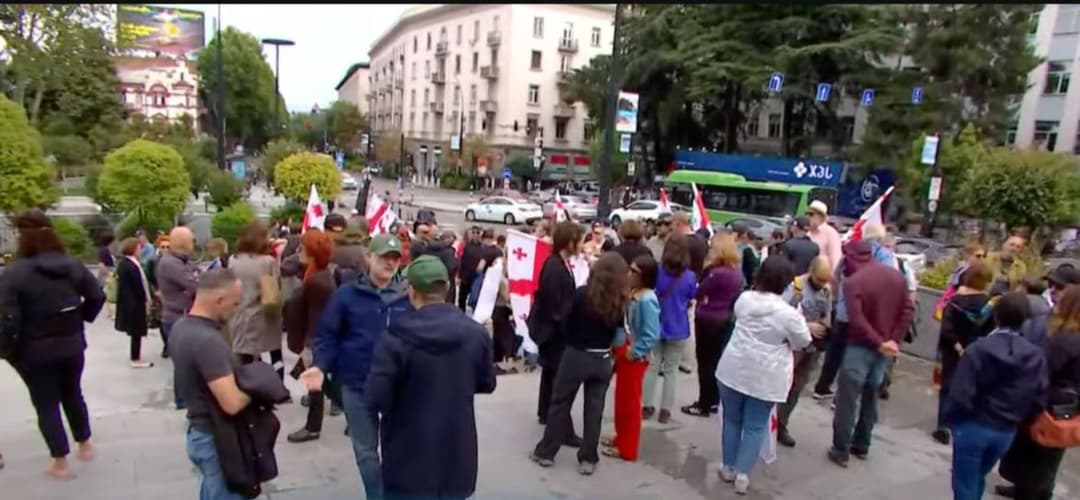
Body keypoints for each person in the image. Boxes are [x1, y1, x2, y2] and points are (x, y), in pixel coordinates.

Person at [363, 255, 497, 500]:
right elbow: (487, 383)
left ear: (411, 291)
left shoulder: (395, 337)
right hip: (457, 453)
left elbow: (376, 397)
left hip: (407, 455)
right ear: (446, 288)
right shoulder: (475, 333)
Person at [304, 233, 411, 499]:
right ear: (369, 257)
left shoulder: (408, 296)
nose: (389, 263)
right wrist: (320, 365)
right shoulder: (347, 295)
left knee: (399, 447)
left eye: (394, 259)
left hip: (398, 387)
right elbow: (328, 335)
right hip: (357, 384)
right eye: (384, 258)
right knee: (365, 450)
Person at [0, 210, 105, 479]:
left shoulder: (14, 274)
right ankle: (85, 444)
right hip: (71, 344)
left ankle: (60, 461)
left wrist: (8, 348)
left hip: (34, 349)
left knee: (46, 403)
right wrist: (78, 319)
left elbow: (8, 316)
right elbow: (97, 295)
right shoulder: (72, 265)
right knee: (73, 393)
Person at [714, 256, 811, 494]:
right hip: (767, 375)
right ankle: (742, 475)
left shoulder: (744, 300)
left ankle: (727, 466)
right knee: (756, 426)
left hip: (733, 367)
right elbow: (803, 341)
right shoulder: (789, 315)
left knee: (732, 420)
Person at [530, 253, 631, 475]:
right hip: (603, 358)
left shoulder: (581, 295)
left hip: (576, 354)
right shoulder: (620, 300)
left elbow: (565, 324)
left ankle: (546, 452)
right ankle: (588, 458)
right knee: (594, 410)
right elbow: (620, 338)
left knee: (560, 403)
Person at [945, 292, 1047, 500]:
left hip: (974, 425)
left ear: (996, 316)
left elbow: (960, 392)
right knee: (978, 475)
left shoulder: (979, 349)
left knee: (965, 483)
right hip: (1006, 430)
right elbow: (1038, 396)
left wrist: (956, 421)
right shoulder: (1035, 355)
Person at [828, 240, 915, 467]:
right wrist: (891, 340)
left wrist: (879, 342)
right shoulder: (896, 275)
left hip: (861, 345)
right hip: (884, 347)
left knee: (848, 398)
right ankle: (862, 444)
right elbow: (908, 309)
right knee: (871, 394)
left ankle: (841, 449)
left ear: (852, 258)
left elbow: (856, 320)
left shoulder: (853, 282)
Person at [170, 269, 251, 500]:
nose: (235, 311)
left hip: (198, 431)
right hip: (216, 440)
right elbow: (232, 403)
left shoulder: (181, 327)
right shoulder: (207, 341)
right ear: (219, 300)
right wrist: (258, 390)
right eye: (234, 305)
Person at [998, 284, 1080, 500]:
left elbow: (1043, 367)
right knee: (1049, 454)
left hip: (1049, 404)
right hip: (1065, 406)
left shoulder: (1067, 338)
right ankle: (1034, 490)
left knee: (1035, 456)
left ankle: (1031, 492)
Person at [528, 222, 584, 446]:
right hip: (554, 334)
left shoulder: (562, 264)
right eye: (579, 240)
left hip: (554, 332)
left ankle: (545, 412)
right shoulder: (554, 267)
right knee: (561, 382)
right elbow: (554, 306)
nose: (582, 245)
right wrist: (568, 327)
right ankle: (563, 429)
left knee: (551, 375)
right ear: (569, 242)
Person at [603, 254, 661, 461]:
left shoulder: (647, 299)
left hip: (634, 356)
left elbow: (651, 332)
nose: (630, 274)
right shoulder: (635, 294)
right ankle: (621, 437)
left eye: (635, 272)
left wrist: (635, 351)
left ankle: (628, 448)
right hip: (625, 350)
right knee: (622, 400)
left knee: (630, 403)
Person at [932, 260, 994, 445]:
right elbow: (991, 331)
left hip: (952, 352)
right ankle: (960, 423)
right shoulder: (988, 305)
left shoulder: (955, 302)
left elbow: (947, 329)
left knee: (948, 387)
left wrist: (958, 346)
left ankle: (943, 426)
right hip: (977, 352)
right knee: (970, 387)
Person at [682, 233, 743, 418]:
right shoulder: (736, 273)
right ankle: (714, 400)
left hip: (708, 317)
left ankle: (704, 403)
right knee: (716, 361)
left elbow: (699, 291)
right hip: (725, 317)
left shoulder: (717, 273)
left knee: (705, 362)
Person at [284, 229, 337, 443]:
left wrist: (309, 343)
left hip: (316, 337)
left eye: (303, 247)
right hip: (316, 336)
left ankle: (313, 427)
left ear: (312, 252)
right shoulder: (317, 274)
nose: (299, 251)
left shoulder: (318, 280)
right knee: (318, 382)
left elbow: (317, 314)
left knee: (317, 384)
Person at [776, 256, 833, 447]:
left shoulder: (826, 290)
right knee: (781, 385)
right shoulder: (796, 287)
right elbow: (782, 315)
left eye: (825, 281)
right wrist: (806, 326)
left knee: (796, 388)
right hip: (793, 346)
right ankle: (768, 423)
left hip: (812, 348)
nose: (822, 285)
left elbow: (827, 314)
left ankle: (782, 424)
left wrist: (825, 326)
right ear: (811, 271)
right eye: (819, 280)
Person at [642, 234, 697, 424]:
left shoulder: (656, 271)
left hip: (655, 323)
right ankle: (665, 410)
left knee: (652, 366)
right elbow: (691, 298)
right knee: (671, 370)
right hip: (678, 326)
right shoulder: (690, 276)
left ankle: (647, 405)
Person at [229, 222, 285, 380]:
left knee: (245, 355)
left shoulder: (233, 260)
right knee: (275, 353)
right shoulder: (267, 261)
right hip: (265, 313)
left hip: (240, 312)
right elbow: (275, 286)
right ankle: (278, 386)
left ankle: (250, 385)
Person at [157, 226, 199, 390]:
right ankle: (183, 400)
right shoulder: (171, 263)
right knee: (184, 364)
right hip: (176, 317)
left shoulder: (182, 260)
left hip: (182, 315)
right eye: (191, 240)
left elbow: (196, 276)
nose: (193, 244)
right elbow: (195, 284)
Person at [115, 237, 154, 369]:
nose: (140, 251)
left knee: (136, 331)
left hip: (131, 302)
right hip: (134, 303)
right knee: (136, 330)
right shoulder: (130, 265)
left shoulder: (126, 264)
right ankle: (135, 357)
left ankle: (136, 355)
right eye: (139, 248)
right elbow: (138, 285)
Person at [805, 200, 842, 271]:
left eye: (811, 214)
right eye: (806, 213)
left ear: (821, 216)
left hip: (822, 276)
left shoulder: (831, 233)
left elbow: (835, 259)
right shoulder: (807, 232)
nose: (807, 216)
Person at [457, 226, 485, 311]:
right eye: (473, 232)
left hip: (477, 277)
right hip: (466, 276)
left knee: (475, 299)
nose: (475, 235)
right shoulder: (467, 245)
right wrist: (460, 275)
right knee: (462, 298)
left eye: (478, 232)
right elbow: (462, 261)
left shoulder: (483, 247)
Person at [96, 231, 116, 318]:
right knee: (110, 292)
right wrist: (109, 273)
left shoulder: (106, 249)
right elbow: (101, 264)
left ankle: (110, 312)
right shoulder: (104, 250)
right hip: (107, 272)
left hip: (108, 271)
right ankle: (111, 313)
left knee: (109, 293)